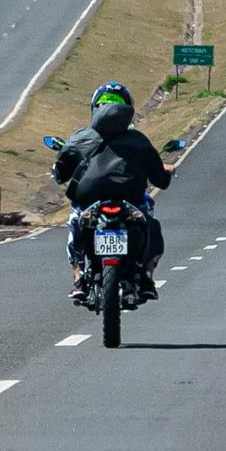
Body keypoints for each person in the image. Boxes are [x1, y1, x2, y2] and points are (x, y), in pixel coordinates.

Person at [52, 82, 173, 302]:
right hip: (130, 204)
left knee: (75, 225)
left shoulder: (79, 138)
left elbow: (60, 174)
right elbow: (160, 180)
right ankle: (146, 276)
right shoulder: (139, 141)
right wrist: (166, 172)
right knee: (151, 224)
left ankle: (78, 277)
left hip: (92, 205)